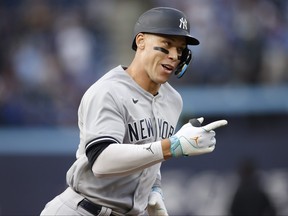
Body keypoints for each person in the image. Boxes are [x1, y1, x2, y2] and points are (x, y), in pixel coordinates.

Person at [40, 7, 227, 216]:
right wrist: (172, 146)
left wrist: (154, 188)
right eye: (166, 44)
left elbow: (148, 153)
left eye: (181, 49)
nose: (174, 55)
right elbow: (102, 161)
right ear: (141, 41)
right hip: (83, 210)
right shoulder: (109, 91)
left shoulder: (173, 100)